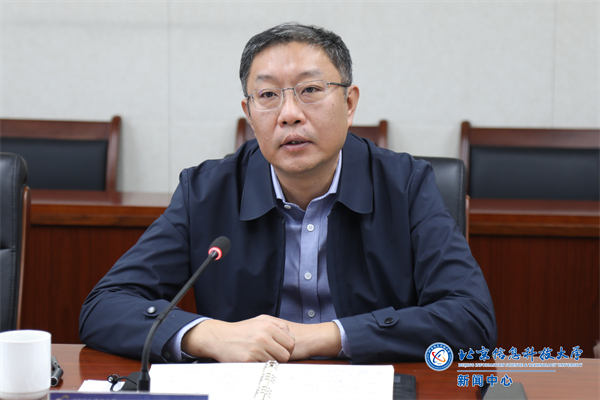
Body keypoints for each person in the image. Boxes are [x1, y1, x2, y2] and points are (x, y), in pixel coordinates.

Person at [79, 22, 496, 365]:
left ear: (349, 104)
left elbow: (471, 318)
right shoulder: (206, 192)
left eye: (310, 90)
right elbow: (104, 306)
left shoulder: (406, 185)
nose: (290, 114)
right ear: (249, 113)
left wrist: (325, 337)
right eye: (268, 96)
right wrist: (208, 336)